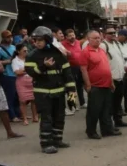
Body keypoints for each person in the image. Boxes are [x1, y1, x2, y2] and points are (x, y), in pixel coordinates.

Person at [24, 26, 75, 154]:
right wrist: (43, 66)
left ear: (47, 39)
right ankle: (46, 143)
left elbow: (67, 73)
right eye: (35, 40)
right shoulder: (32, 55)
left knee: (59, 117)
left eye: (40, 40)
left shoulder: (58, 53)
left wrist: (72, 94)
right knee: (46, 119)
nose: (37, 42)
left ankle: (57, 140)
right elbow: (32, 73)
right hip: (43, 94)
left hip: (59, 92)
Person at [80, 29, 121, 140]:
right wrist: (88, 85)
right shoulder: (86, 52)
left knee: (106, 109)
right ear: (88, 39)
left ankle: (107, 130)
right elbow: (83, 69)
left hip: (106, 84)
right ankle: (91, 131)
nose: (98, 40)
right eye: (95, 38)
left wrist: (111, 82)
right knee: (94, 110)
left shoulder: (102, 50)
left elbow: (107, 67)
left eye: (99, 38)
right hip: (95, 86)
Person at [103, 28, 127, 127]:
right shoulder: (103, 45)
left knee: (118, 101)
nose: (112, 35)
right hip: (111, 79)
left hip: (120, 77)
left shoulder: (116, 44)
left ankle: (118, 120)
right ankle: (109, 124)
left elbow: (120, 59)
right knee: (110, 103)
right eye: (110, 33)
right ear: (105, 34)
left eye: (114, 33)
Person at [0, 30, 22, 122]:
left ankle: (18, 114)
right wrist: (8, 61)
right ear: (3, 38)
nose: (10, 39)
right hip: (7, 75)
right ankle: (12, 116)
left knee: (17, 96)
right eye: (7, 37)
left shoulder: (14, 47)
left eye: (11, 37)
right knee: (9, 96)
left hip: (16, 73)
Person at [12, 43, 38, 125]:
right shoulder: (15, 60)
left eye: (27, 50)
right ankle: (25, 119)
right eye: (24, 51)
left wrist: (25, 70)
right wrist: (28, 69)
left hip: (31, 79)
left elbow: (35, 68)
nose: (26, 52)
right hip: (21, 81)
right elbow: (17, 72)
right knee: (23, 101)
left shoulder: (30, 59)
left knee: (34, 99)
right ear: (18, 51)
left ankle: (35, 116)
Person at [61, 29, 85, 112]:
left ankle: (82, 103)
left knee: (80, 85)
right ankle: (72, 105)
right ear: (66, 37)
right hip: (69, 67)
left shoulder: (78, 42)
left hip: (79, 66)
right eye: (70, 36)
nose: (72, 37)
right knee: (71, 87)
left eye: (73, 35)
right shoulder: (63, 44)